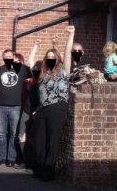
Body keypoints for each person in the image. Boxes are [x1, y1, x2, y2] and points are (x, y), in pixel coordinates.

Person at [34, 25, 75, 181]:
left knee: (53, 141)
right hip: (43, 109)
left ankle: (49, 171)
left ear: (58, 60)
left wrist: (71, 35)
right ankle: (39, 168)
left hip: (58, 108)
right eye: (48, 57)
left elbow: (66, 54)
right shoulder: (43, 73)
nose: (51, 58)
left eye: (53, 57)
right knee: (40, 141)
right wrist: (52, 45)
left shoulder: (63, 71)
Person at [0, 49, 31, 168]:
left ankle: (11, 158)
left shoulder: (22, 69)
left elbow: (32, 71)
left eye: (10, 56)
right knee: (1, 133)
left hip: (15, 106)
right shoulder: (0, 70)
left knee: (14, 134)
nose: (8, 58)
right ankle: (0, 157)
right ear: (3, 58)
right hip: (0, 105)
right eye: (6, 57)